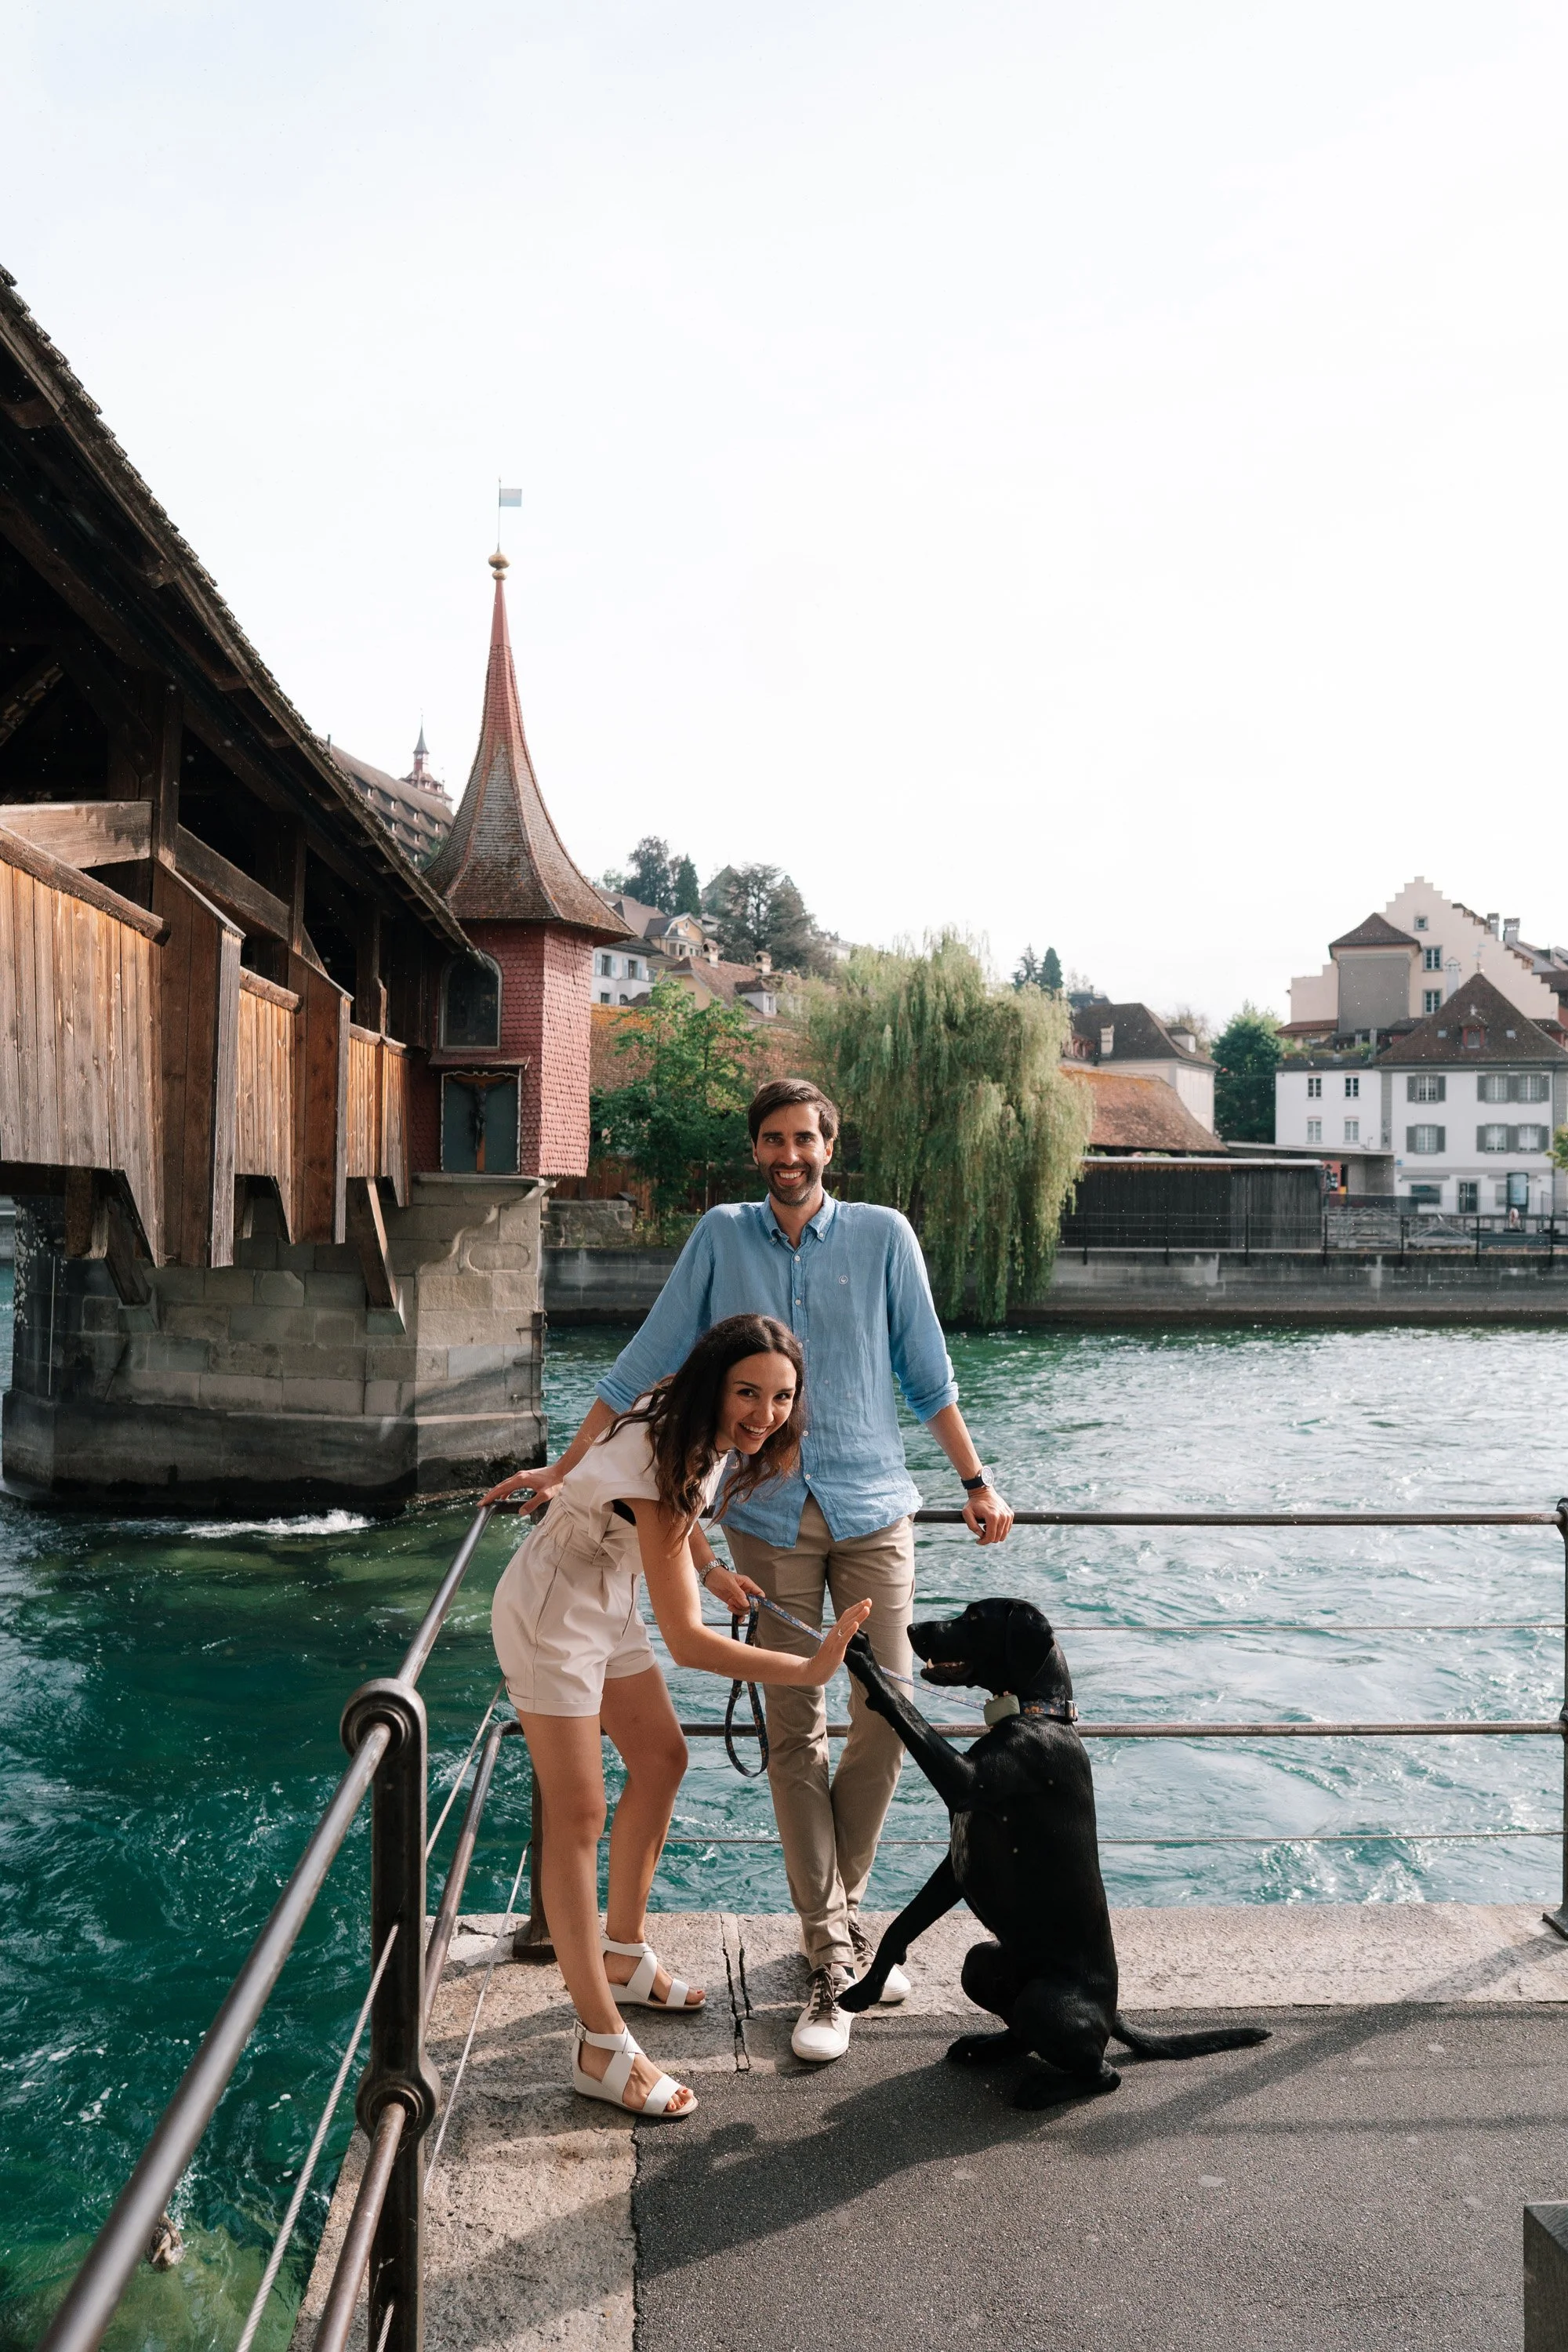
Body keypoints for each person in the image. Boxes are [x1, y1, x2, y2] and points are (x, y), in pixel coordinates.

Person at [485, 1076, 1013, 2066]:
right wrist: (563, 1469)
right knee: (790, 1732)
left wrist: (975, 1481)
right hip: (764, 1518)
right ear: (755, 1148)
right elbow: (643, 1358)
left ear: (828, 1143)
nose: (788, 1154)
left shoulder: (883, 1234)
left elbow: (927, 1371)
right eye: (771, 1139)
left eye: (803, 1138)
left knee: (886, 1717)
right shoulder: (723, 1236)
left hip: (871, 1505)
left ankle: (838, 1917)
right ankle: (828, 1952)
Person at [490, 1312, 870, 2121]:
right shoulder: (665, 1457)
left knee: (662, 1760)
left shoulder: (688, 1422)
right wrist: (807, 1668)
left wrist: (711, 1565)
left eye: (780, 1397)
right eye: (747, 1392)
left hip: (605, 1597)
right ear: (714, 1384)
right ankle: (600, 2048)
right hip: (551, 1613)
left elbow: (674, 1508)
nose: (764, 1414)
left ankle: (622, 1952)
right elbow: (691, 1645)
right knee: (577, 1816)